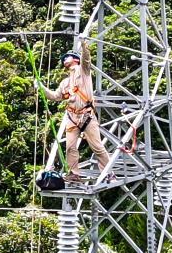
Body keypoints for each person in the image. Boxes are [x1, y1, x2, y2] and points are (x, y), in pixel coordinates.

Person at [35, 39, 116, 184]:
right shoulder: (65, 83)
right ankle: (74, 174)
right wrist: (41, 87)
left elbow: (86, 59)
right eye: (64, 58)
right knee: (70, 147)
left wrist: (84, 46)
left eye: (68, 57)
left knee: (97, 147)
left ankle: (109, 173)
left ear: (76, 60)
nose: (65, 59)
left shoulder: (83, 71)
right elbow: (55, 96)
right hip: (72, 117)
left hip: (87, 116)